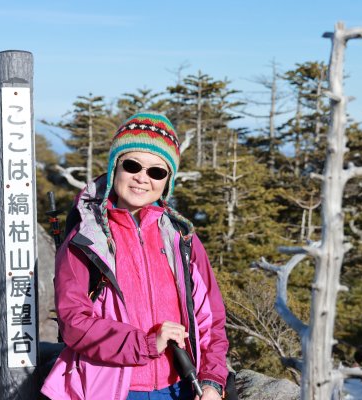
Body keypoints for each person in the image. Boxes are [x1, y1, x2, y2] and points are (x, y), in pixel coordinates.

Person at [41, 112, 229, 400]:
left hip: (180, 387)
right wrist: (146, 343)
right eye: (132, 165)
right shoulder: (85, 238)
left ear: (168, 181)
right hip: (110, 389)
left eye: (157, 171)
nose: (142, 178)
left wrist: (212, 381)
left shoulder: (182, 238)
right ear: (115, 167)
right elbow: (73, 321)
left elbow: (210, 318)